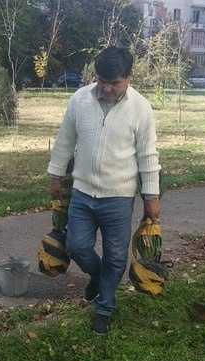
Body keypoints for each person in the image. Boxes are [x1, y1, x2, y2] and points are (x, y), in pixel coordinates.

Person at [47, 47, 161, 335]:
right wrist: (55, 175)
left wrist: (152, 196)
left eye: (115, 83)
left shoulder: (141, 109)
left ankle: (105, 307)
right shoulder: (79, 100)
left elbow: (148, 156)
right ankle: (99, 278)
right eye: (102, 81)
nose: (107, 88)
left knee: (116, 257)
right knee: (77, 246)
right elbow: (64, 140)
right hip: (83, 193)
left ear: (128, 79)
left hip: (119, 198)